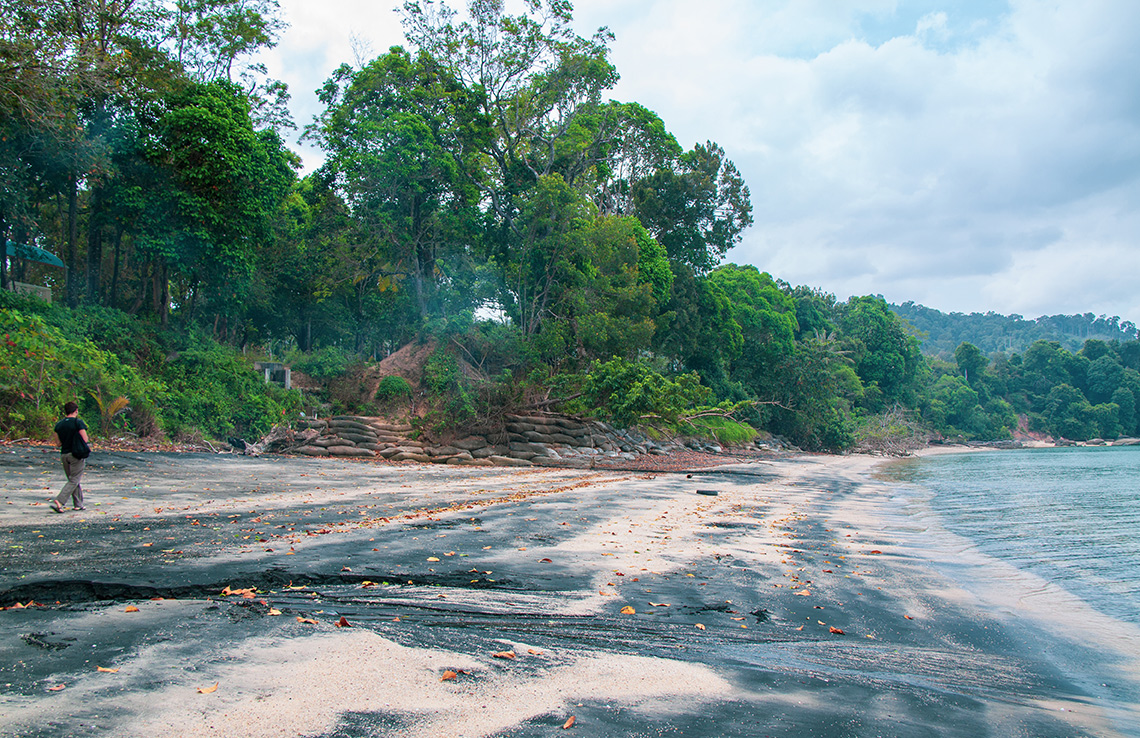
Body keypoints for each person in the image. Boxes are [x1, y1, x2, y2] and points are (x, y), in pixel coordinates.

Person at [52, 401, 89, 513]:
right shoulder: (78, 423)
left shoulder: (59, 425)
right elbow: (85, 439)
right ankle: (60, 501)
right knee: (74, 479)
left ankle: (78, 504)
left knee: (73, 479)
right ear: (76, 411)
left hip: (64, 454)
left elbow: (58, 443)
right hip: (76, 454)